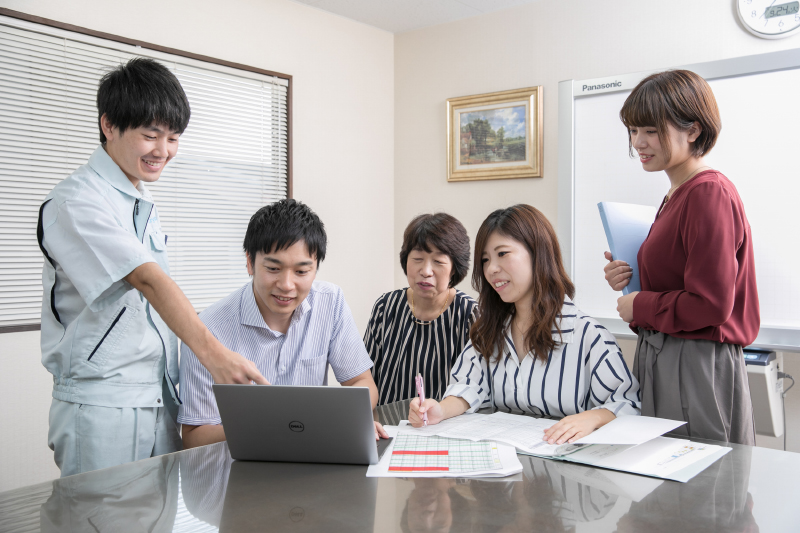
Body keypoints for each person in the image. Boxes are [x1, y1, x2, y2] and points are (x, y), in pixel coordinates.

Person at [39, 58, 268, 477]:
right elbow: (147, 278)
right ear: (109, 125)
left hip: (159, 399)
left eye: (174, 137)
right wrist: (215, 356)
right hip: (104, 405)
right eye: (150, 135)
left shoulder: (139, 201)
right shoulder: (76, 202)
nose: (163, 151)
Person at [604, 70, 758, 445]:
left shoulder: (708, 193)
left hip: (695, 363)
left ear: (693, 130)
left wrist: (641, 303)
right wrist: (630, 278)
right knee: (668, 492)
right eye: (633, 130)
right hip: (666, 355)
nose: (638, 142)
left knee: (703, 493)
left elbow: (711, 304)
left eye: (651, 130)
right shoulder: (678, 193)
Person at [410, 205, 640, 445]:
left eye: (502, 254)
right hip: (505, 464)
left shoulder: (588, 336)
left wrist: (592, 418)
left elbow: (629, 405)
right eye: (485, 259)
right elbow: (468, 386)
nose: (491, 269)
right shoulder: (490, 329)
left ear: (537, 253)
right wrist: (440, 410)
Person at [179, 199, 388, 448]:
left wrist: (348, 421)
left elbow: (362, 383)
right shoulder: (208, 329)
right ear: (249, 262)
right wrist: (279, 428)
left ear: (315, 268)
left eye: (301, 272)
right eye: (273, 268)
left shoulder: (330, 303)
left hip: (313, 462)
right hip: (239, 469)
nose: (287, 285)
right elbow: (194, 435)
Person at [364, 213, 477, 405]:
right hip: (388, 424)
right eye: (417, 258)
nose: (425, 271)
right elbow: (366, 375)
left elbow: (475, 387)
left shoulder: (469, 314)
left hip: (446, 425)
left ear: (455, 268)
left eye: (438, 262)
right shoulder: (386, 306)